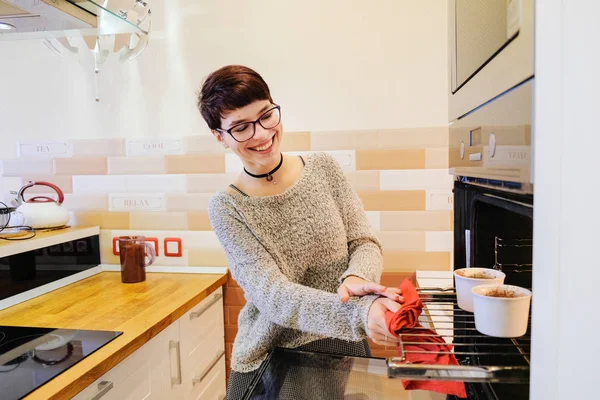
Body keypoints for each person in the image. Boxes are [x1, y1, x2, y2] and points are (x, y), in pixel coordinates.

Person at [197, 65, 404, 399]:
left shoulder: (323, 168)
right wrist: (360, 311)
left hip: (342, 344)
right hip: (274, 362)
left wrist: (354, 279)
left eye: (266, 115)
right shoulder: (227, 207)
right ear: (219, 136)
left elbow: (364, 242)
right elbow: (274, 296)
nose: (261, 134)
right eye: (240, 128)